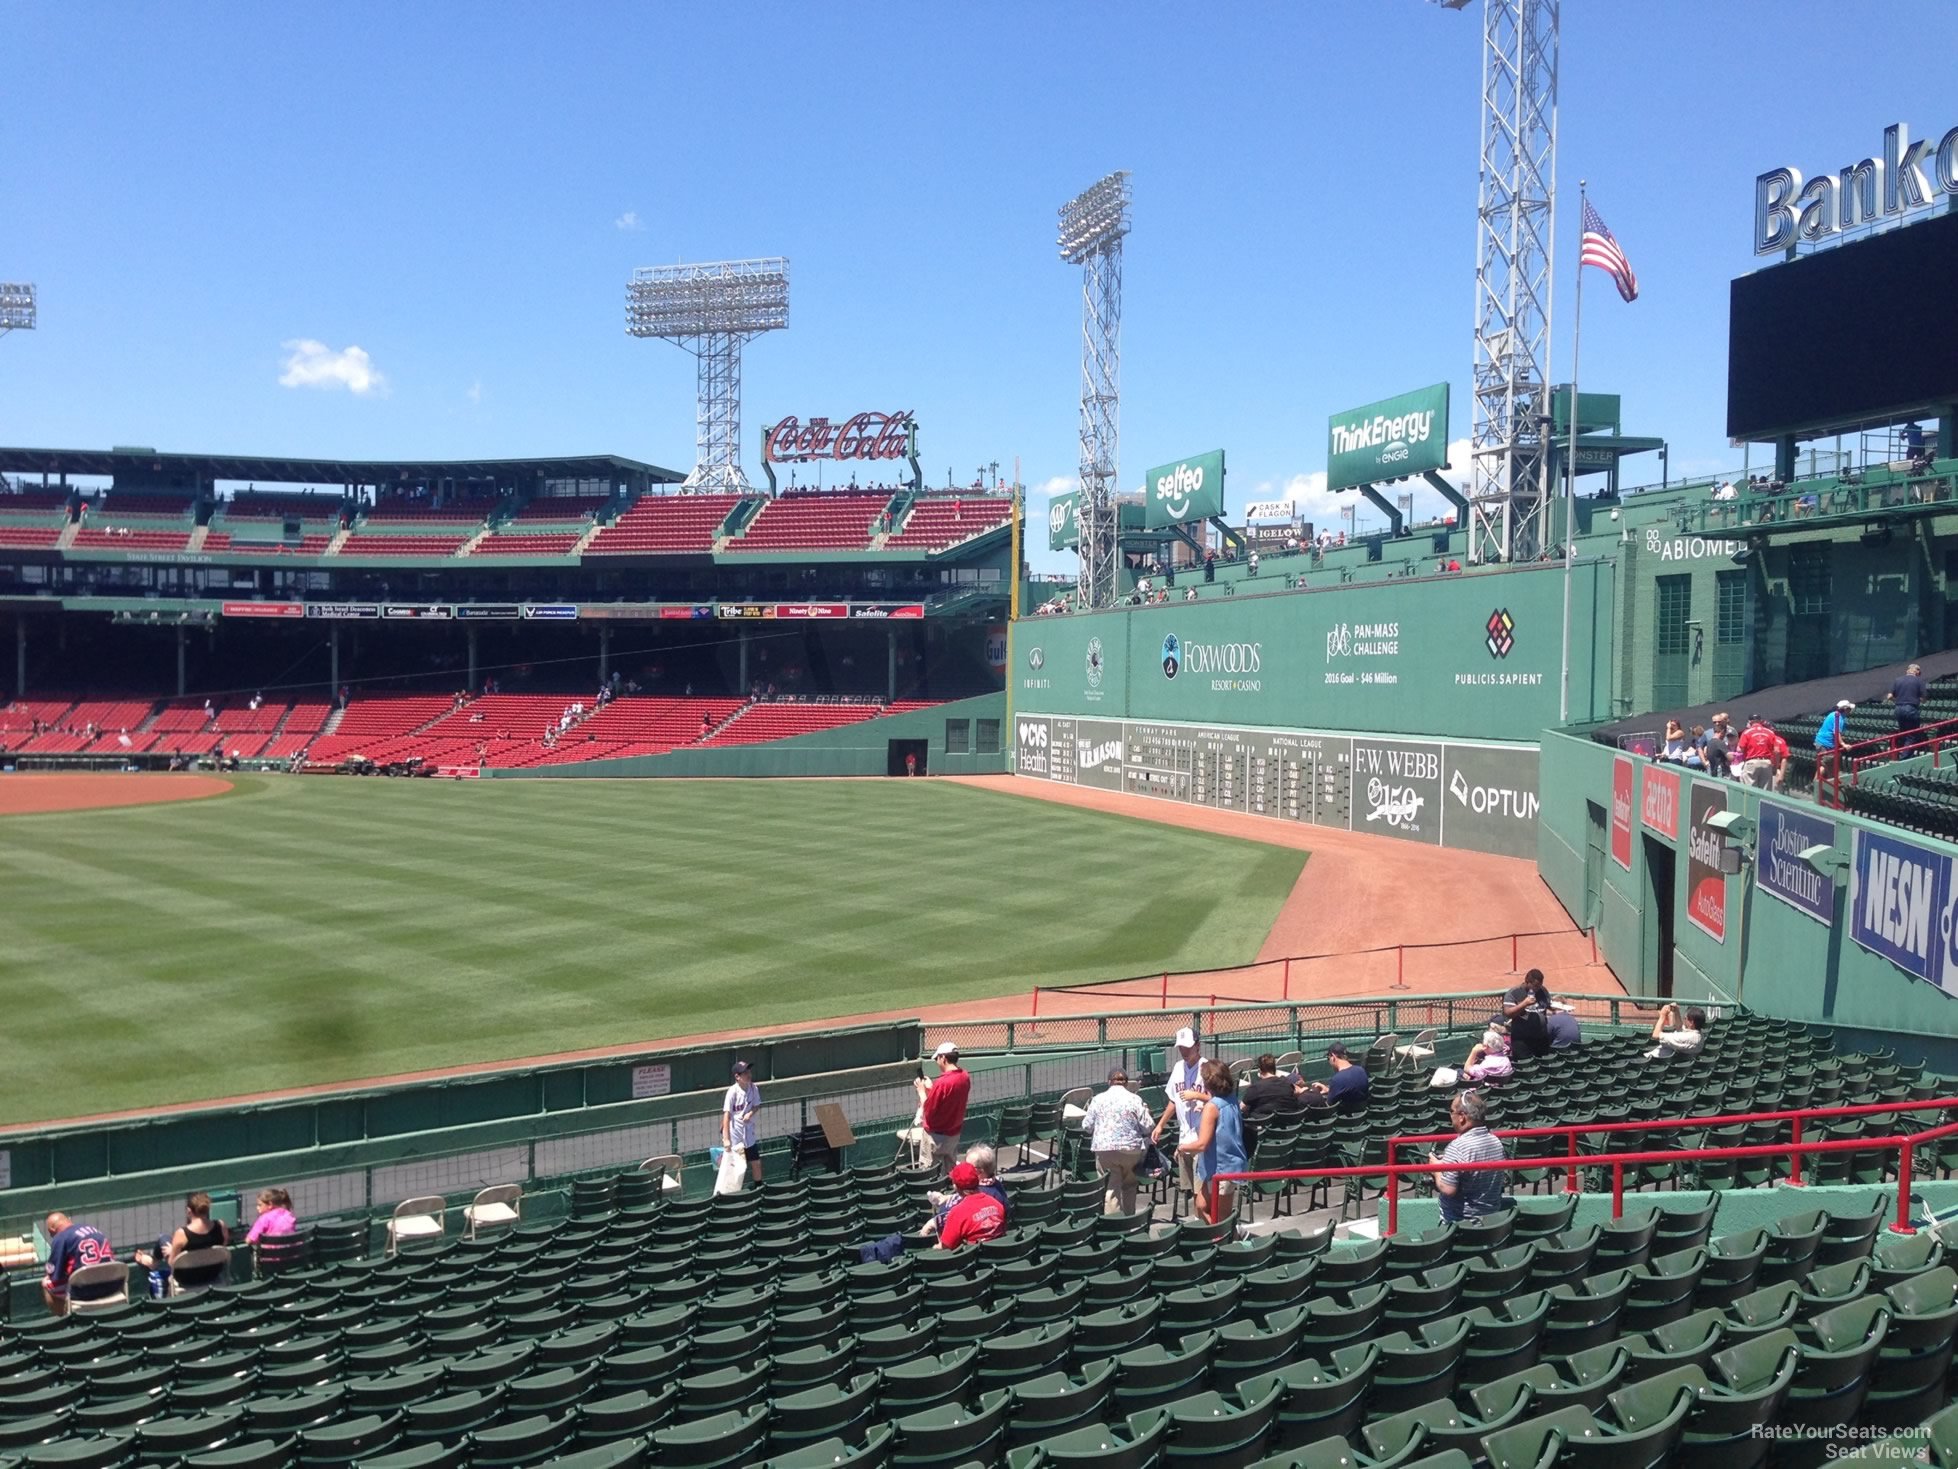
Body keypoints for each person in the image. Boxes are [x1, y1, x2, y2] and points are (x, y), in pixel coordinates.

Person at [1082, 1068, 1156, 1216]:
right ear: (1126, 1083)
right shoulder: (1135, 1099)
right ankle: (1129, 1219)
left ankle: (1115, 1225)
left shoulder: (1098, 1099)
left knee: (1111, 1189)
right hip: (1131, 1150)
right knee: (1129, 1186)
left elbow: (1087, 1126)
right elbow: (1149, 1126)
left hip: (1105, 1150)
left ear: (1109, 1082)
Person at [1180, 1061, 1246, 1226]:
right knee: (1201, 1206)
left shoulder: (1212, 1107)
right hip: (1216, 1166)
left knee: (1221, 1216)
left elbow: (1202, 1144)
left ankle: (1228, 1239)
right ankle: (1221, 1235)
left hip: (1224, 1166)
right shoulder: (1231, 1099)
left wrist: (1181, 1147)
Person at [1430, 1091, 1509, 1224]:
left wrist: (1436, 1169)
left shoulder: (1457, 1146)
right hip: (1492, 1221)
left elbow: (1448, 1189)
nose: (1450, 1115)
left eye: (1451, 1111)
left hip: (1460, 1224)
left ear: (1462, 1117)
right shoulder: (1495, 1141)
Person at [1151, 1028, 1210, 1200]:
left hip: (1201, 1139)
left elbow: (1218, 1100)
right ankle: (1197, 1222)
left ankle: (1205, 1225)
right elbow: (1173, 1100)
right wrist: (1161, 1125)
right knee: (1190, 1190)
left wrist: (1198, 1096)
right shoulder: (1178, 1068)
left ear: (1197, 1046)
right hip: (1184, 1139)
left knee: (1202, 1192)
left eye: (1188, 1047)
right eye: (1181, 1048)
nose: (1184, 1051)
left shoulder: (1207, 1068)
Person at [133, 1193, 230, 1294]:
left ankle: (153, 1261)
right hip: (213, 1273)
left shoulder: (182, 1233)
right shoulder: (221, 1226)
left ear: (189, 1211)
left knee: (164, 1238)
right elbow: (222, 1248)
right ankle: (152, 1260)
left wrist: (173, 1250)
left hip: (187, 1278)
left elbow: (171, 1262)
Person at [43, 1213, 117, 1316]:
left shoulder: (61, 1238)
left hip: (83, 1292)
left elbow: (54, 1274)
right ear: (68, 1220)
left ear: (52, 1230)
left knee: (46, 1283)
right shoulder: (94, 1230)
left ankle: (65, 1319)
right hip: (112, 1286)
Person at [915, 1042, 971, 1174]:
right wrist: (932, 1088)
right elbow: (947, 1098)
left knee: (929, 1174)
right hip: (953, 1135)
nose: (937, 1062)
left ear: (943, 1058)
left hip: (935, 1137)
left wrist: (922, 1091)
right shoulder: (964, 1076)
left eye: (937, 1059)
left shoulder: (942, 1083)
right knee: (951, 1173)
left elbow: (927, 1110)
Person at [938, 1161, 1008, 1249]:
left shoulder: (957, 1213)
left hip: (974, 1259)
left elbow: (946, 1247)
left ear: (955, 1187)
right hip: (999, 1254)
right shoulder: (997, 1204)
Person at [721, 1060, 764, 1189]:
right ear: (737, 1077)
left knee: (756, 1162)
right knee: (735, 1167)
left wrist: (750, 1113)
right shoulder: (732, 1092)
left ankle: (759, 1188)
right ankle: (731, 1191)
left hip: (749, 1135)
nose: (748, 1074)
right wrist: (726, 1139)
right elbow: (726, 1116)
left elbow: (756, 1105)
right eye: (745, 1072)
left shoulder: (753, 1088)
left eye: (749, 1071)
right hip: (736, 1137)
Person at [1502, 969, 1555, 1060]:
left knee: (1543, 1066)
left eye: (1540, 985)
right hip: (1522, 1041)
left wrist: (1558, 1007)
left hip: (1541, 1038)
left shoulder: (1542, 991)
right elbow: (1508, 1013)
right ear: (1527, 982)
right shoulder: (1514, 993)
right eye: (1535, 986)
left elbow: (1547, 1005)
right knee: (1525, 1067)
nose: (1538, 988)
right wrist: (1524, 1004)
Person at [1305, 1041, 1370, 1113]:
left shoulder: (1337, 1079)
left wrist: (1316, 1094)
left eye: (1328, 1058)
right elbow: (1349, 1091)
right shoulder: (1361, 1071)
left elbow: (1329, 1106)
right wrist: (1329, 1090)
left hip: (1343, 1118)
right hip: (1361, 1115)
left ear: (1333, 1057)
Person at [1239, 1054, 1304, 1116]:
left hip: (1264, 1124)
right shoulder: (1287, 1082)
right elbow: (1298, 1093)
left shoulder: (1255, 1087)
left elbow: (1242, 1108)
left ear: (1259, 1070)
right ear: (1274, 1068)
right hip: (1289, 1123)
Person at [1733, 714, 1784, 790]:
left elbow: (1740, 749)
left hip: (1751, 762)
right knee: (1765, 792)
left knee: (1750, 791)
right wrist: (1775, 767)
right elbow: (1776, 751)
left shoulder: (1747, 732)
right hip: (1766, 763)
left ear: (1750, 722)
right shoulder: (1770, 732)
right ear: (1761, 721)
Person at [1815, 699, 1854, 796]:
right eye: (1849, 709)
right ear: (1845, 709)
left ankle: (1815, 785)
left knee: (1824, 765)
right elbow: (1836, 732)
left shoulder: (1832, 714)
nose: (1850, 711)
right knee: (1829, 766)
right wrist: (1843, 744)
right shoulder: (1838, 718)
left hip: (1821, 742)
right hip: (1826, 744)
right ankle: (1818, 786)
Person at [1887, 664, 1927, 753]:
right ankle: (1904, 758)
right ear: (1917, 671)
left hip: (1898, 708)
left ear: (1907, 671)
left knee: (1904, 734)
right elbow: (1924, 699)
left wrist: (1897, 700)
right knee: (1912, 735)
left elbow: (1889, 696)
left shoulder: (1897, 680)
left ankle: (1902, 752)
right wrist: (1916, 699)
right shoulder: (1919, 681)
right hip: (1911, 708)